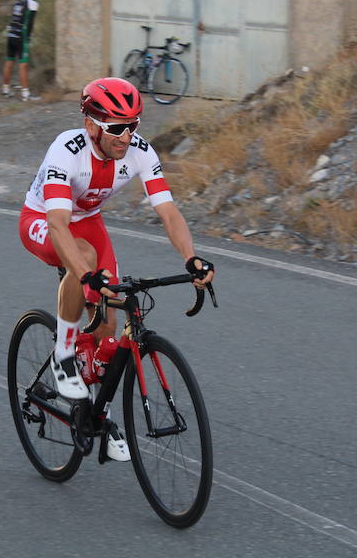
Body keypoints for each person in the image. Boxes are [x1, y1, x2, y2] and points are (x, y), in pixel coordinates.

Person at [19, 77, 215, 461]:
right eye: (116, 127)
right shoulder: (67, 149)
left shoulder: (139, 151)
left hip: (89, 221)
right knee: (87, 262)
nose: (126, 136)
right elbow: (59, 225)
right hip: (43, 219)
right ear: (91, 125)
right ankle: (62, 355)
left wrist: (191, 258)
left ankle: (98, 413)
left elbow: (168, 211)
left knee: (109, 323)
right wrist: (85, 274)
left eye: (133, 125)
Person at [1, 0, 39, 102]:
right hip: (21, 37)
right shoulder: (33, 4)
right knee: (23, 65)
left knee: (9, 62)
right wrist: (29, 38)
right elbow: (30, 23)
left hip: (11, 34)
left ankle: (5, 89)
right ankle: (25, 94)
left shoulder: (17, 3)